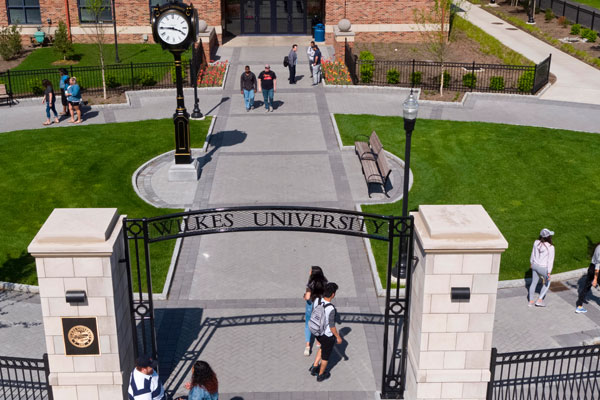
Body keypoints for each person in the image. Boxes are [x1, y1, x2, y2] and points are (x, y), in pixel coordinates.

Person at [309, 282, 342, 382]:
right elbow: (332, 326)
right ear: (333, 294)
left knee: (322, 347)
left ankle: (314, 367)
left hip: (317, 332)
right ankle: (321, 374)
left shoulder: (317, 301)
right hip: (327, 335)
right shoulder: (331, 308)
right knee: (325, 357)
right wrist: (338, 337)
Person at [303, 266, 328, 356]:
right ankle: (318, 342)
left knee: (308, 325)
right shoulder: (325, 282)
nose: (309, 272)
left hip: (311, 305)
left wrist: (304, 296)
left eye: (310, 271)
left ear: (313, 273)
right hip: (320, 306)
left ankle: (307, 346)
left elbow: (308, 297)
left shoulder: (310, 283)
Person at [528, 228, 555, 307]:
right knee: (547, 282)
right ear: (549, 237)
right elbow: (550, 261)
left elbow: (532, 254)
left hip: (534, 266)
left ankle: (531, 301)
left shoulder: (536, 243)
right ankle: (539, 300)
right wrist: (549, 272)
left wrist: (531, 263)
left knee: (533, 282)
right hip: (543, 268)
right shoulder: (551, 247)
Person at [575, 243, 600, 314]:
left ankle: (579, 306)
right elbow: (598, 265)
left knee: (586, 287)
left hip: (591, 268)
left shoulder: (598, 246)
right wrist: (595, 279)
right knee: (587, 286)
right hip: (596, 270)